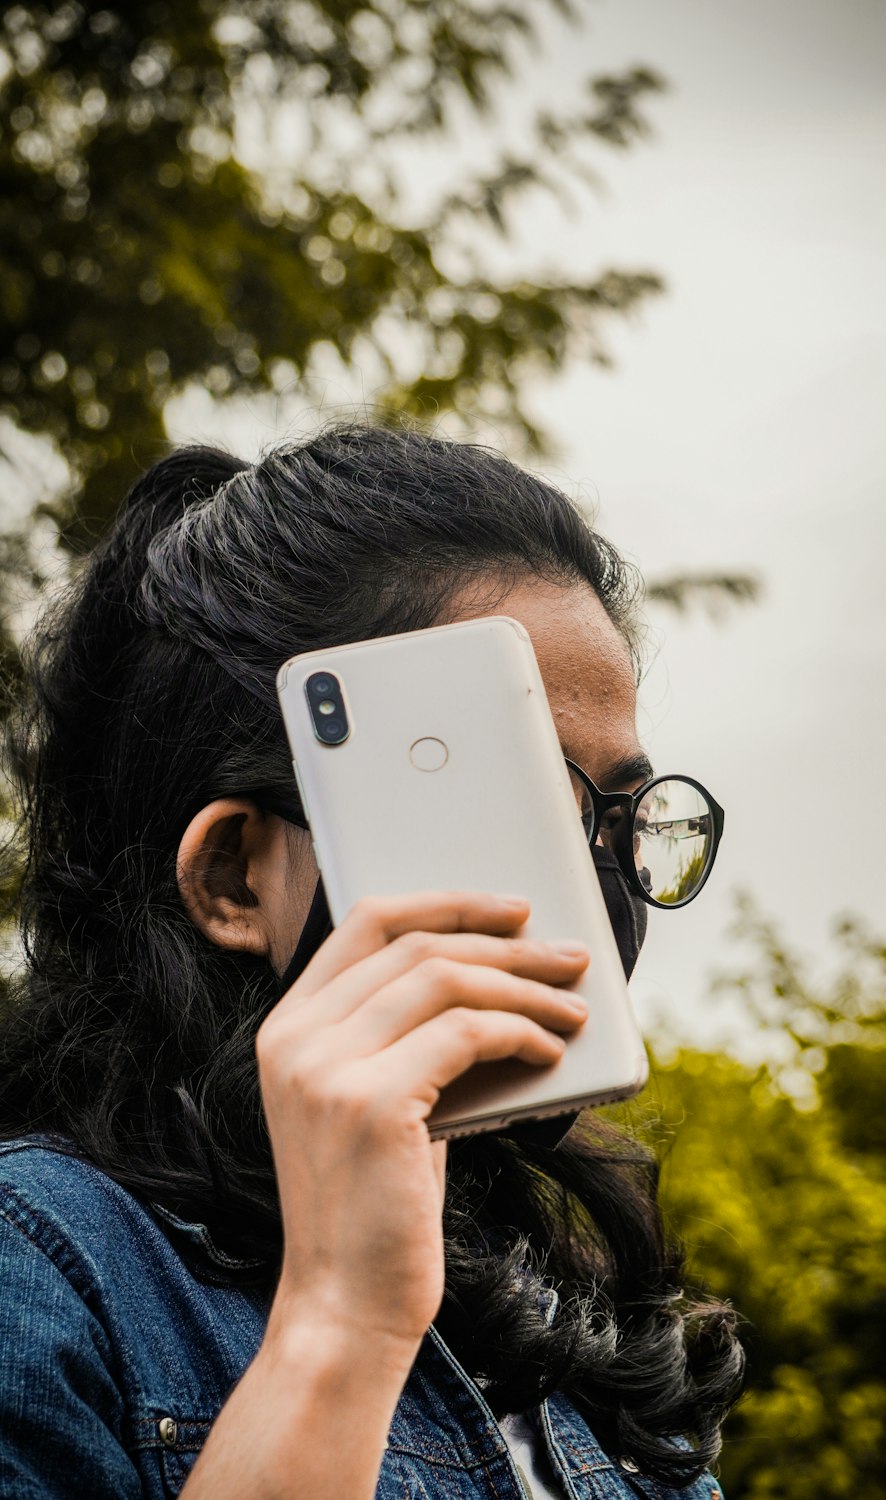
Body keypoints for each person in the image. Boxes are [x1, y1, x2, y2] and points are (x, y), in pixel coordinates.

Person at [0, 425, 743, 1499]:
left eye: (619, 812)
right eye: (524, 800)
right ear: (234, 879)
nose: (599, 878)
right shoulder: (43, 1272)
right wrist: (341, 1319)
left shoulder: (568, 1335)